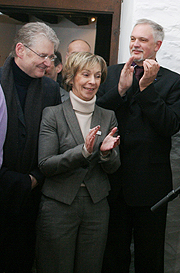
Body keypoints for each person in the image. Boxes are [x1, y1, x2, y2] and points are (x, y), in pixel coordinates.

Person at [98, 18, 180, 273]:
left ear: (157, 45)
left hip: (151, 184)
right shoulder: (111, 73)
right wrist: (121, 90)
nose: (135, 44)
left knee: (150, 255)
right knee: (113, 255)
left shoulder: (173, 81)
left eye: (142, 40)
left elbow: (170, 126)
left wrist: (146, 88)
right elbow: (98, 113)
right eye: (133, 39)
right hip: (113, 180)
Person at [36, 52, 120, 272]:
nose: (92, 82)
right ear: (71, 77)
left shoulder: (108, 115)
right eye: (86, 75)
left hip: (97, 205)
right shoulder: (52, 114)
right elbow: (46, 164)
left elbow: (113, 167)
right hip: (59, 205)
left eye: (98, 76)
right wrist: (83, 151)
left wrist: (104, 154)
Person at [0, 22, 62, 272]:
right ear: (20, 50)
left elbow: (56, 138)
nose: (48, 63)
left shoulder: (50, 88)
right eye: (43, 56)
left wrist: (35, 178)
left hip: (31, 191)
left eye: (51, 57)